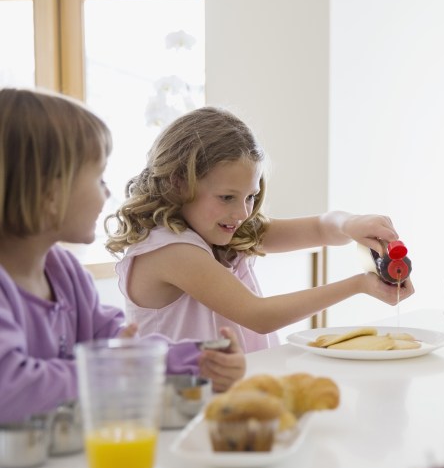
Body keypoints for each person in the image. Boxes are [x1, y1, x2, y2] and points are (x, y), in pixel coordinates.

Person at [0, 88, 246, 423]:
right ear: (49, 192)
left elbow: (118, 343)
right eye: (99, 177)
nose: (107, 192)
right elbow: (11, 389)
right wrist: (113, 370)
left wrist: (200, 358)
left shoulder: (65, 273)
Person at [105, 106, 413, 352]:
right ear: (178, 183)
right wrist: (359, 285)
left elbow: (320, 228)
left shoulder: (219, 230)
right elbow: (258, 316)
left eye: (250, 196)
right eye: (227, 197)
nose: (242, 212)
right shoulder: (170, 249)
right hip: (185, 410)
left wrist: (352, 224)